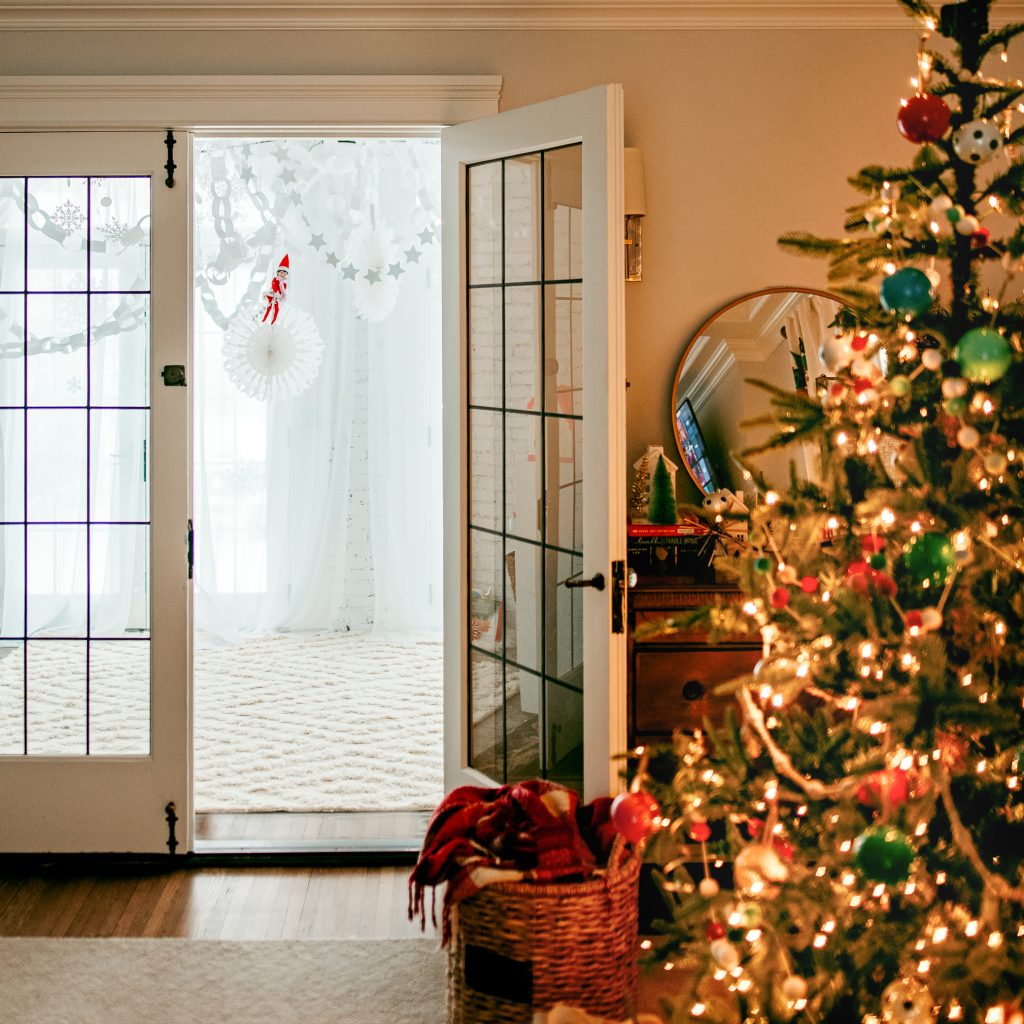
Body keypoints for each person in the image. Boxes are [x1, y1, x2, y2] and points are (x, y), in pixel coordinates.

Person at [262, 253, 289, 324]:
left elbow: (284, 290)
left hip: (278, 297)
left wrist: (282, 295)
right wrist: (277, 293)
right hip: (272, 294)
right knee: (269, 308)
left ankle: (273, 322)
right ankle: (264, 319)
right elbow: (274, 286)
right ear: (278, 272)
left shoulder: (284, 283)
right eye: (282, 272)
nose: (283, 274)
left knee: (277, 309)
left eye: (285, 274)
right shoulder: (275, 279)